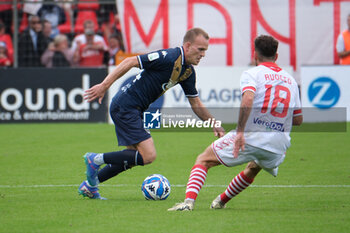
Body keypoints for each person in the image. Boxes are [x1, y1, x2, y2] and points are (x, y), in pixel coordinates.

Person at [78, 27, 225, 200]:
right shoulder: (168, 57)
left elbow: (195, 103)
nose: (203, 54)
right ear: (187, 46)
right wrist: (104, 85)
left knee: (131, 157)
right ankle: (95, 159)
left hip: (135, 108)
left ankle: (90, 186)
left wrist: (214, 122)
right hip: (126, 105)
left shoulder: (187, 72)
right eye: (200, 49)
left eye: (205, 50)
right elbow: (130, 62)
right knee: (148, 156)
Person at [168, 35, 303, 211]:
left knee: (203, 160)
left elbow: (248, 99)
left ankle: (188, 203)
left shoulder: (252, 73)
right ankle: (220, 202)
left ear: (255, 55)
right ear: (276, 56)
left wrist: (240, 132)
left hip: (252, 135)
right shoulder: (291, 81)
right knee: (254, 167)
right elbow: (298, 120)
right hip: (279, 144)